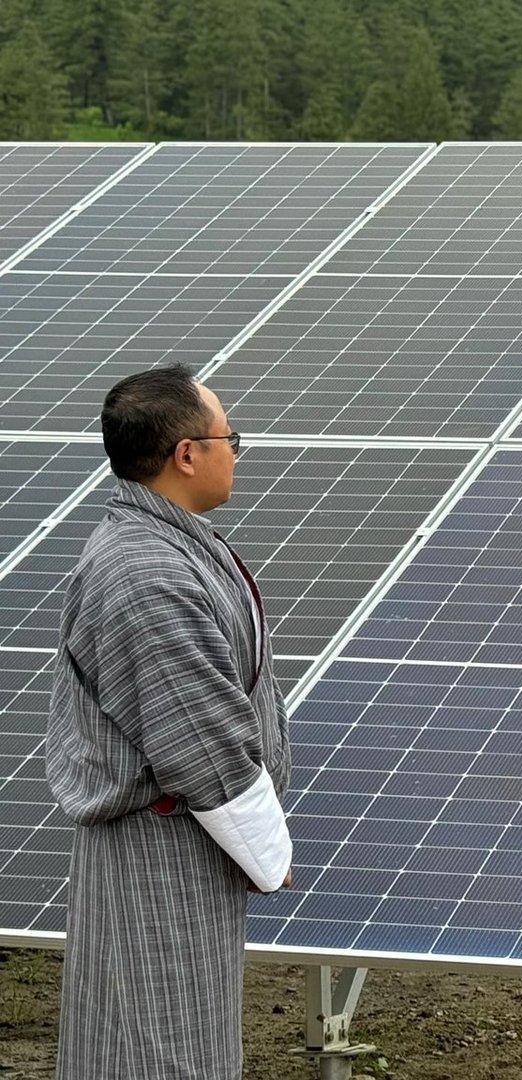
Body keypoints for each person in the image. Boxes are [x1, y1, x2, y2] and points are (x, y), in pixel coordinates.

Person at [47, 364, 292, 1080]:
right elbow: (200, 745)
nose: (234, 453)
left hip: (186, 839)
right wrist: (266, 849)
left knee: (172, 1032)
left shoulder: (168, 542)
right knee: (162, 1046)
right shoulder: (144, 570)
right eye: (229, 438)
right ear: (187, 454)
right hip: (161, 848)